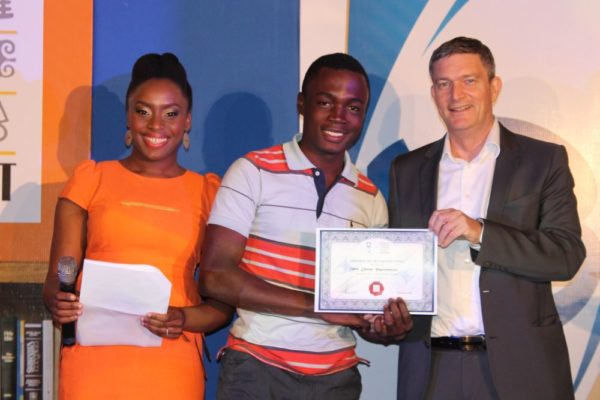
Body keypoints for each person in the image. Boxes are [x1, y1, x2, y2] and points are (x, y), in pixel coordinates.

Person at [199, 53, 413, 399]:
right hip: (255, 371)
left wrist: (386, 327)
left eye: (353, 107)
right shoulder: (252, 171)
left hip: (336, 381)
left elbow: (361, 314)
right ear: (302, 103)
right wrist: (317, 306)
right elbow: (215, 276)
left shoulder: (370, 198)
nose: (339, 117)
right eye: (325, 102)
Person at [388, 36, 586, 400]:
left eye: (469, 80)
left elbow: (566, 254)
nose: (455, 94)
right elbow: (401, 264)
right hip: (432, 371)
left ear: (494, 87)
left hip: (521, 370)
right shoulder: (406, 169)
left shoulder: (543, 161)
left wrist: (480, 232)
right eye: (444, 84)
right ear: (433, 93)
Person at [43, 53, 232, 400]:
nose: (156, 125)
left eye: (171, 113)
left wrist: (183, 319)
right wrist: (59, 300)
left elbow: (223, 305)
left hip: (170, 360)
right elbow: (57, 278)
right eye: (143, 111)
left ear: (188, 121)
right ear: (128, 119)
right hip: (93, 360)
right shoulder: (91, 180)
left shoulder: (210, 193)